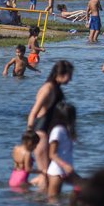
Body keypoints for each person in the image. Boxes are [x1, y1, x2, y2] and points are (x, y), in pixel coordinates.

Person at [26, 60, 72, 190]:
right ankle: (39, 205)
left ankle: (24, 190)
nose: (71, 78)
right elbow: (33, 113)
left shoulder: (55, 88)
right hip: (40, 135)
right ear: (61, 74)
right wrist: (29, 135)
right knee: (46, 176)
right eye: (70, 75)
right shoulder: (48, 89)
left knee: (46, 175)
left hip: (47, 134)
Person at [47, 102, 78, 199]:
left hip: (66, 170)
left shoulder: (66, 130)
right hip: (56, 171)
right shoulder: (57, 130)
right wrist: (65, 165)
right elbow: (52, 154)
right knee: (53, 201)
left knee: (83, 187)